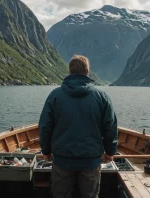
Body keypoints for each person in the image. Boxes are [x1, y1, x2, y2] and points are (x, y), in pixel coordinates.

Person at [39, 55, 118, 198]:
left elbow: (45, 127)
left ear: (69, 72)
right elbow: (110, 127)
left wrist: (46, 151)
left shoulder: (55, 96)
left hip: (62, 160)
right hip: (91, 161)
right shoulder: (102, 97)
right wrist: (110, 152)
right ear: (87, 72)